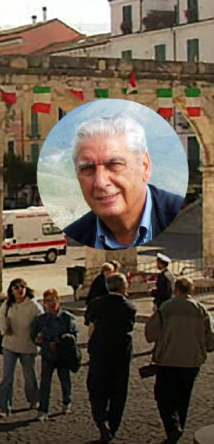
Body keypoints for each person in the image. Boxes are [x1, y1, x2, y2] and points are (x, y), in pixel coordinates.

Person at [64, 115, 184, 249]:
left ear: (144, 166)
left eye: (115, 164)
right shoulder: (76, 233)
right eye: (87, 168)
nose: (100, 182)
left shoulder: (176, 214)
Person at [145, 277, 214, 444]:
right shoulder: (201, 310)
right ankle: (178, 427)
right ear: (192, 291)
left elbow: (150, 334)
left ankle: (172, 427)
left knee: (163, 396)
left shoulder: (166, 308)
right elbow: (211, 339)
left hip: (167, 360)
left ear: (176, 290)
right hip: (191, 362)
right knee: (183, 397)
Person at [85, 272, 137, 443]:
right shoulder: (129, 307)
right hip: (120, 356)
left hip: (99, 354)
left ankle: (101, 421)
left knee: (97, 390)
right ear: (123, 287)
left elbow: (90, 326)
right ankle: (112, 427)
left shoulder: (96, 304)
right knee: (118, 393)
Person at [0, 278, 43, 417]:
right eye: (16, 287)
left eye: (22, 287)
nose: (19, 290)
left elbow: (42, 322)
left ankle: (33, 399)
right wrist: (4, 329)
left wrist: (39, 336)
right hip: (10, 344)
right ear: (11, 291)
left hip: (27, 346)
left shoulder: (34, 306)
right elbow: (1, 316)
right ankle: (5, 406)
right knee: (7, 377)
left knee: (29, 375)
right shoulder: (7, 304)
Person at [32, 288, 78, 421]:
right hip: (47, 355)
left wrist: (59, 342)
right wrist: (38, 340)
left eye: (52, 300)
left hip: (62, 355)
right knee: (45, 383)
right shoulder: (41, 320)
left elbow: (74, 336)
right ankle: (43, 410)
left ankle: (66, 402)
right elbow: (33, 335)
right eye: (46, 301)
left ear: (58, 300)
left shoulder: (67, 318)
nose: (50, 304)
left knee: (65, 380)